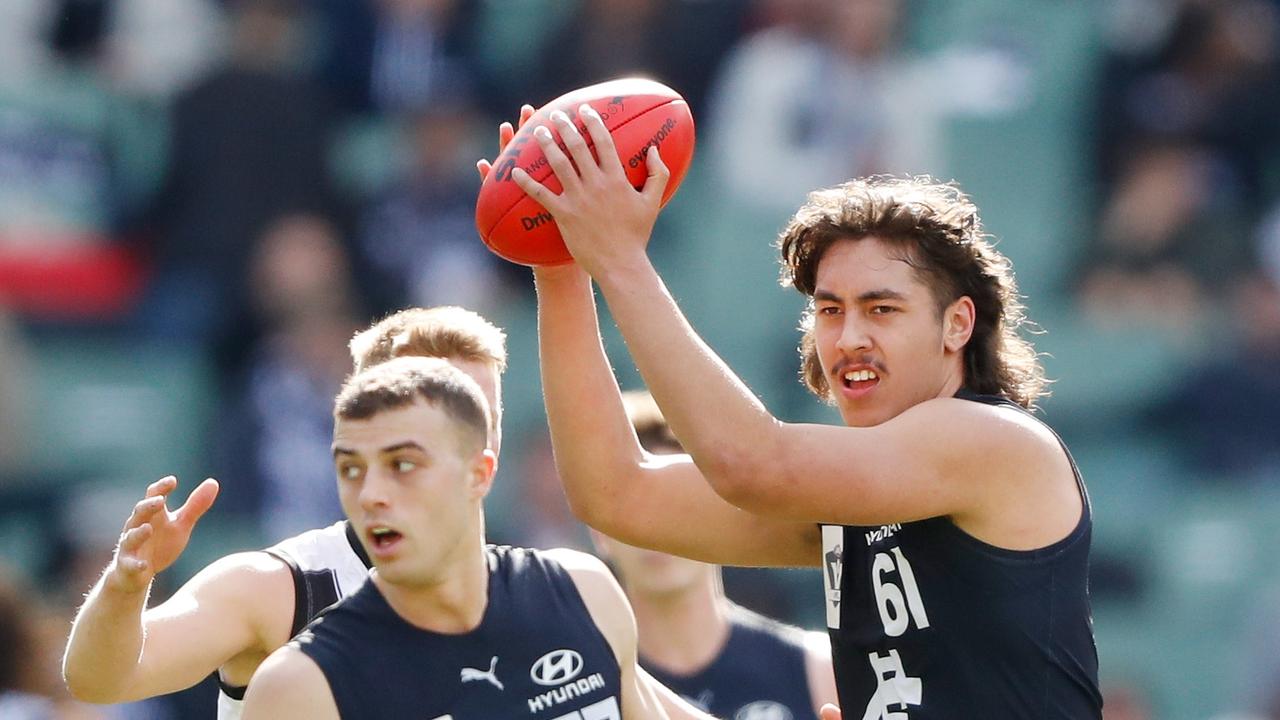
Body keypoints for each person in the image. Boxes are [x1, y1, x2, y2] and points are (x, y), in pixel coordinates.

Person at [491, 104, 1103, 717]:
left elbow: (752, 465)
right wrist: (561, 266)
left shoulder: (992, 441)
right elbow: (617, 495)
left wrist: (620, 260)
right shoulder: (856, 500)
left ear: (958, 324)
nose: (850, 336)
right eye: (831, 310)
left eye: (882, 309)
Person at [62, 306, 508, 720]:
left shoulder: (535, 591)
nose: (476, 441)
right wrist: (125, 588)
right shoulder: (278, 587)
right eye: (451, 419)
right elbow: (99, 680)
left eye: (485, 418)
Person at [241, 356, 714, 719]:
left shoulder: (582, 591)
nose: (371, 495)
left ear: (479, 473)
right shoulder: (301, 685)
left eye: (403, 465)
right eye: (350, 469)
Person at [594, 389, 837, 720]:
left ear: (722, 514)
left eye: (681, 505)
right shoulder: (583, 685)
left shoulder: (818, 670)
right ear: (598, 529)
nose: (659, 530)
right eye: (639, 511)